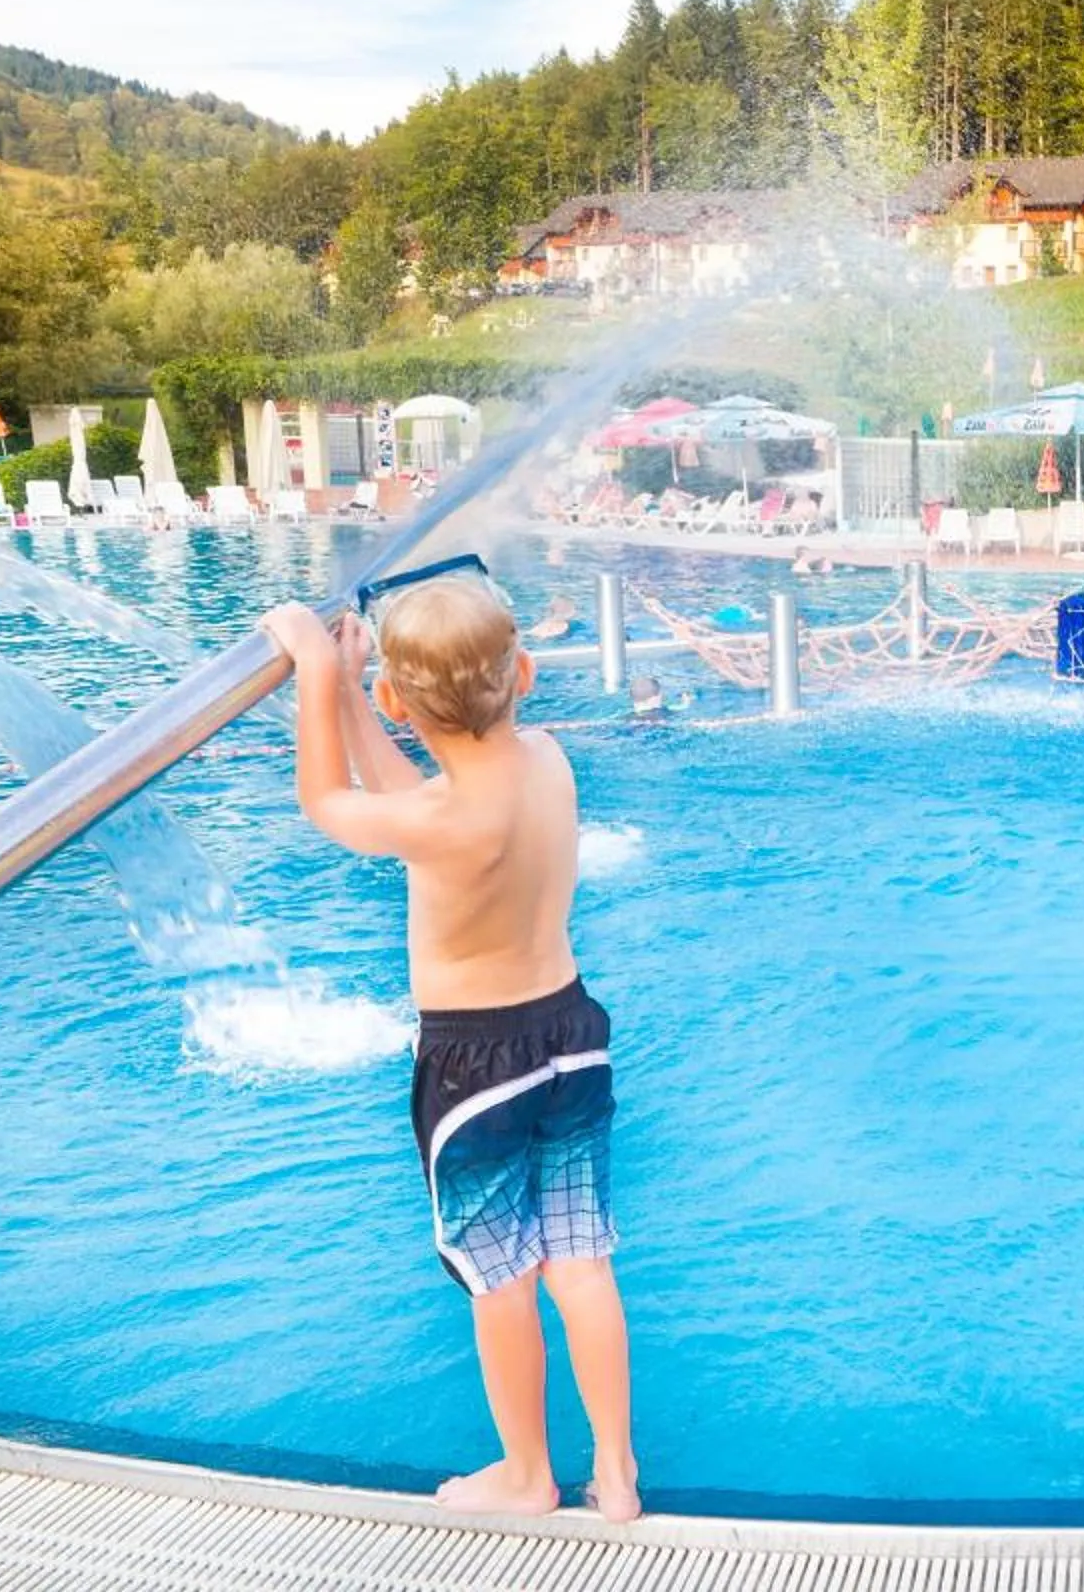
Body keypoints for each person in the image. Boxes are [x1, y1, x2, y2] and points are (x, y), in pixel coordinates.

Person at [260, 582, 642, 1522]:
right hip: (570, 1036)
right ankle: (618, 1473)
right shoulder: (547, 760)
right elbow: (414, 794)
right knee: (579, 1264)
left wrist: (317, 668)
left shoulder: (436, 823)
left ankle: (526, 1473)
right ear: (525, 674)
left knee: (501, 1278)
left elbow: (327, 801)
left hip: (476, 1070)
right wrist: (355, 690)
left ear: (402, 703)